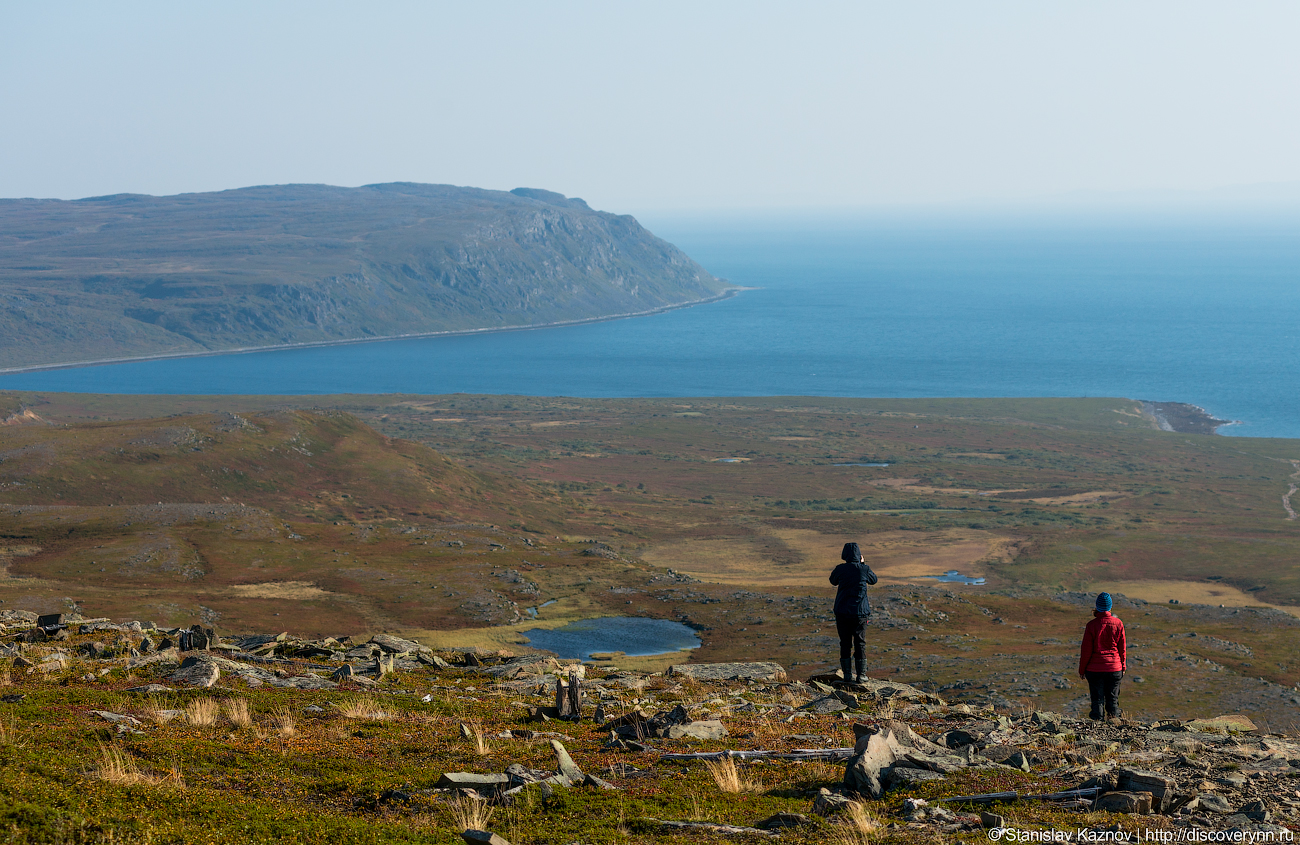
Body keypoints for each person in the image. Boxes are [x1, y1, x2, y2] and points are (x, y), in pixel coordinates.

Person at [829, 542, 878, 685]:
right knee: (860, 643)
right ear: (859, 555)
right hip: (860, 613)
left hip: (842, 611)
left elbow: (832, 581)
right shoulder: (864, 569)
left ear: (845, 555)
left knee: (845, 643)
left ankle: (847, 676)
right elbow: (874, 580)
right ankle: (861, 676)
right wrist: (862, 564)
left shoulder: (840, 569)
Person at [1079, 592, 1127, 720]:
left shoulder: (1091, 625)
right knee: (1113, 700)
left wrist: (1082, 670)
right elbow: (1122, 648)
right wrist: (1123, 666)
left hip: (1094, 669)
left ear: (1097, 606)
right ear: (1110, 607)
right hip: (1114, 667)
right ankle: (1114, 725)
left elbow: (1086, 651)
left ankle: (1097, 725)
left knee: (1097, 699)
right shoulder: (1118, 623)